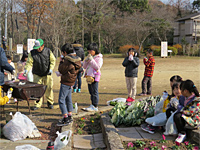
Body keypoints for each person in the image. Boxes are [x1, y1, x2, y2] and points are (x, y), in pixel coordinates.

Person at [24, 39, 56, 110]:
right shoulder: (32, 53)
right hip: (37, 74)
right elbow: (29, 63)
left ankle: (50, 102)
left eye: (39, 47)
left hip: (47, 73)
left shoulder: (48, 51)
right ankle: (37, 104)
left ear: (43, 46)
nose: (38, 49)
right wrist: (26, 70)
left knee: (49, 88)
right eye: (36, 47)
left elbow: (53, 61)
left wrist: (51, 69)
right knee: (37, 90)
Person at [57, 43, 81, 126]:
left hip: (66, 82)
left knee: (61, 100)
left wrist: (61, 61)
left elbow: (61, 70)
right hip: (72, 81)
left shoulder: (68, 60)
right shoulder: (76, 59)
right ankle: (70, 114)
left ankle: (65, 117)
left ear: (64, 52)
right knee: (68, 98)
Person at [174, 80, 200, 144]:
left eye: (181, 90)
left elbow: (191, 112)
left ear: (185, 91)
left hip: (194, 119)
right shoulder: (185, 97)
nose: (180, 92)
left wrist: (181, 109)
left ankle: (182, 133)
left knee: (177, 116)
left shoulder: (197, 99)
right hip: (188, 115)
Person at [82, 43, 103, 112]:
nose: (89, 52)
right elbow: (84, 66)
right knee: (91, 91)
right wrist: (86, 60)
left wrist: (91, 60)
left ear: (94, 50)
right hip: (89, 76)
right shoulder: (91, 57)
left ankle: (95, 105)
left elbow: (97, 67)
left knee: (94, 91)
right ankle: (92, 104)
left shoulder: (99, 58)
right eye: (88, 51)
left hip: (95, 76)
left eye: (91, 51)